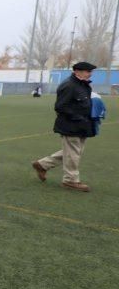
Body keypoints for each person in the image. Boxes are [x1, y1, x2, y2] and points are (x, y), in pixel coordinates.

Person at [32, 61, 96, 192]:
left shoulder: (82, 85)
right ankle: (70, 180)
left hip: (82, 125)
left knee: (74, 152)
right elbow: (61, 106)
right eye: (88, 71)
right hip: (71, 125)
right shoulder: (69, 85)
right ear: (78, 71)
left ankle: (42, 165)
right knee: (73, 153)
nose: (90, 74)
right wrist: (78, 118)